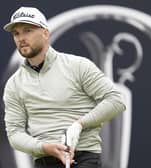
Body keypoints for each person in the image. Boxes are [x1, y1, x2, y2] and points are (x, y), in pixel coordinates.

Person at [3, 6, 126, 168]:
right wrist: (44, 147)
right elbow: (15, 134)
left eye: (28, 30)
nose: (21, 38)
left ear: (45, 33)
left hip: (83, 157)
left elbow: (117, 100)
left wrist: (80, 124)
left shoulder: (78, 66)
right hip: (44, 160)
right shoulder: (14, 84)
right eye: (16, 33)